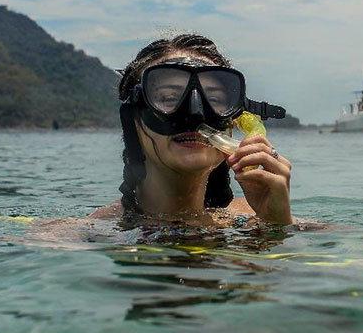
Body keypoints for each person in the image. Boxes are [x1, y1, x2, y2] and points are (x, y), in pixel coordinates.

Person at [89, 33, 293, 225]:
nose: (196, 114)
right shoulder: (87, 235)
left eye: (214, 100)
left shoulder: (260, 216)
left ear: (232, 123)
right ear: (135, 121)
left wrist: (275, 225)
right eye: (169, 99)